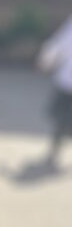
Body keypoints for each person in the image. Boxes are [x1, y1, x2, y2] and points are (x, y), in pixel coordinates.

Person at [37, 13, 72, 169]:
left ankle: (55, 149)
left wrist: (45, 63)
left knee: (60, 119)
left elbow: (56, 46)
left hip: (67, 81)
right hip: (66, 81)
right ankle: (55, 149)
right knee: (62, 119)